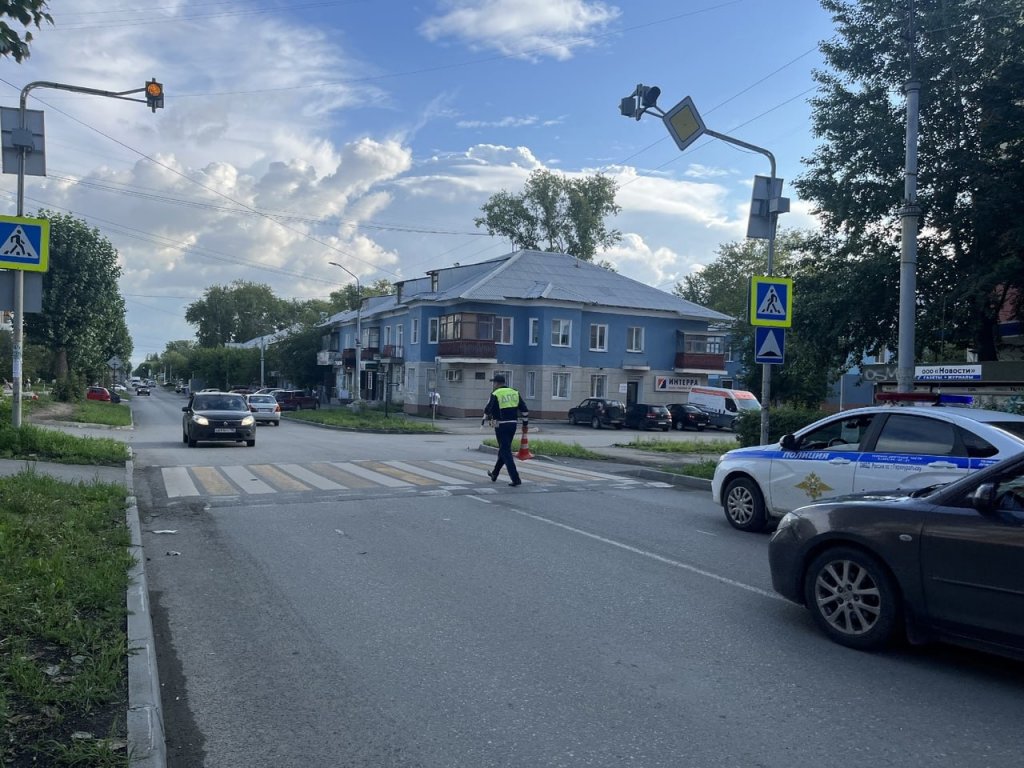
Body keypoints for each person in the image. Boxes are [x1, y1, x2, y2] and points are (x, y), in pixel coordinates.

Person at [482, 374, 529, 486]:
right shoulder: (515, 392)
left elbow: (488, 410)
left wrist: (486, 420)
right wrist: (525, 423)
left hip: (501, 425)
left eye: (494, 383)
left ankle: (515, 479)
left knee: (505, 451)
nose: (493, 385)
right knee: (504, 449)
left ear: (497, 383)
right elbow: (524, 410)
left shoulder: (495, 393)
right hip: (513, 424)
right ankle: (494, 473)